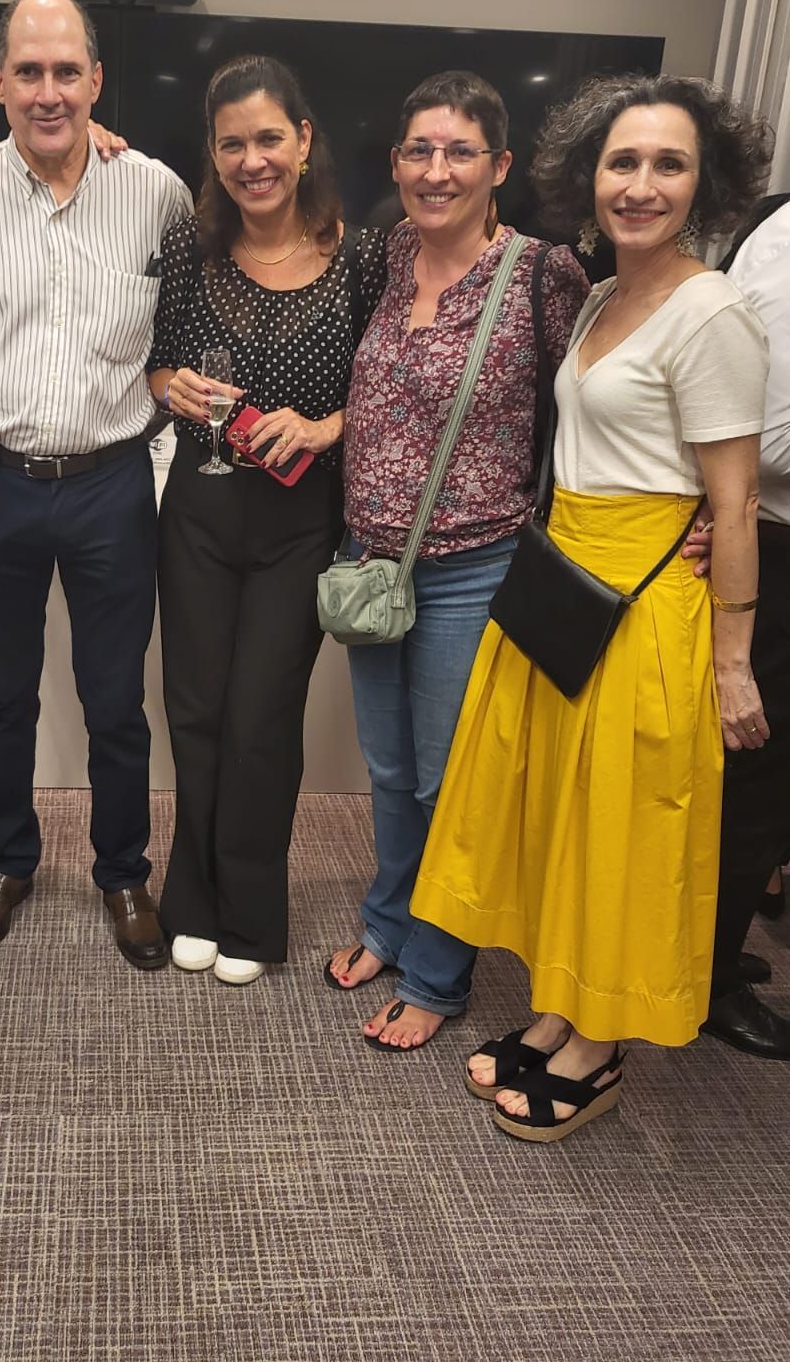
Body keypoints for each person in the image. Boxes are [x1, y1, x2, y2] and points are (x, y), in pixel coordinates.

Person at [413, 74, 771, 1140]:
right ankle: (559, 1010)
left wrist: (732, 663)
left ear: (705, 184)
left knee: (622, 826)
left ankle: (600, 1046)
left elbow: (733, 503)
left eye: (668, 165)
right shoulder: (603, 294)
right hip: (568, 590)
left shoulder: (711, 311)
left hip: (647, 607)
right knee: (563, 816)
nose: (640, 185)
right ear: (589, 175)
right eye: (622, 162)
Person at [0, 0, 192, 970]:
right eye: (27, 71)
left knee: (115, 700)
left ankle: (122, 873)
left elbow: (174, 334)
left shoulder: (154, 192)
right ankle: (7, 862)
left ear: (96, 81)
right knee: (1, 697)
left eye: (66, 71)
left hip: (111, 486)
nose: (48, 92)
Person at [322, 72, 589, 1046]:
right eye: (419, 151)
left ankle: (437, 975)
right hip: (371, 566)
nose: (436, 171)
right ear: (396, 163)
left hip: (472, 569)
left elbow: (589, 408)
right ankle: (387, 926)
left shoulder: (539, 273)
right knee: (389, 770)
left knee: (449, 782)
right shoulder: (390, 253)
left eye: (459, 152)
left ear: (499, 165)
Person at [147, 54, 386, 984]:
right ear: (213, 154)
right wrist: (174, 389)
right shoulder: (189, 249)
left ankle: (251, 914)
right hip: (200, 507)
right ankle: (191, 902)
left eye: (270, 138)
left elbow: (392, 388)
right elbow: (158, 366)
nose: (253, 160)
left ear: (305, 140)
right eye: (232, 143)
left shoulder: (363, 257)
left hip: (300, 518)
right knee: (195, 710)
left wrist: (324, 427)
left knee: (260, 717)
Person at [700, 192, 790, 1058]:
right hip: (766, 541)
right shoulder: (785, 235)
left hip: (755, 532)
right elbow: (760, 447)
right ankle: (711, 975)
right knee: (754, 771)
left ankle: (712, 951)